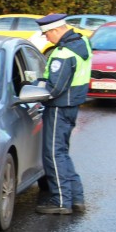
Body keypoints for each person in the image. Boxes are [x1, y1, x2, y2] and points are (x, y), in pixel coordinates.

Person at [33, 13, 91, 215]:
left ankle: (60, 201)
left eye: (47, 34)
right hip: (72, 104)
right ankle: (76, 198)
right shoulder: (81, 42)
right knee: (62, 154)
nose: (46, 38)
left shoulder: (63, 54)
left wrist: (34, 89)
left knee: (53, 155)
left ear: (56, 30)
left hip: (58, 107)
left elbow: (54, 88)